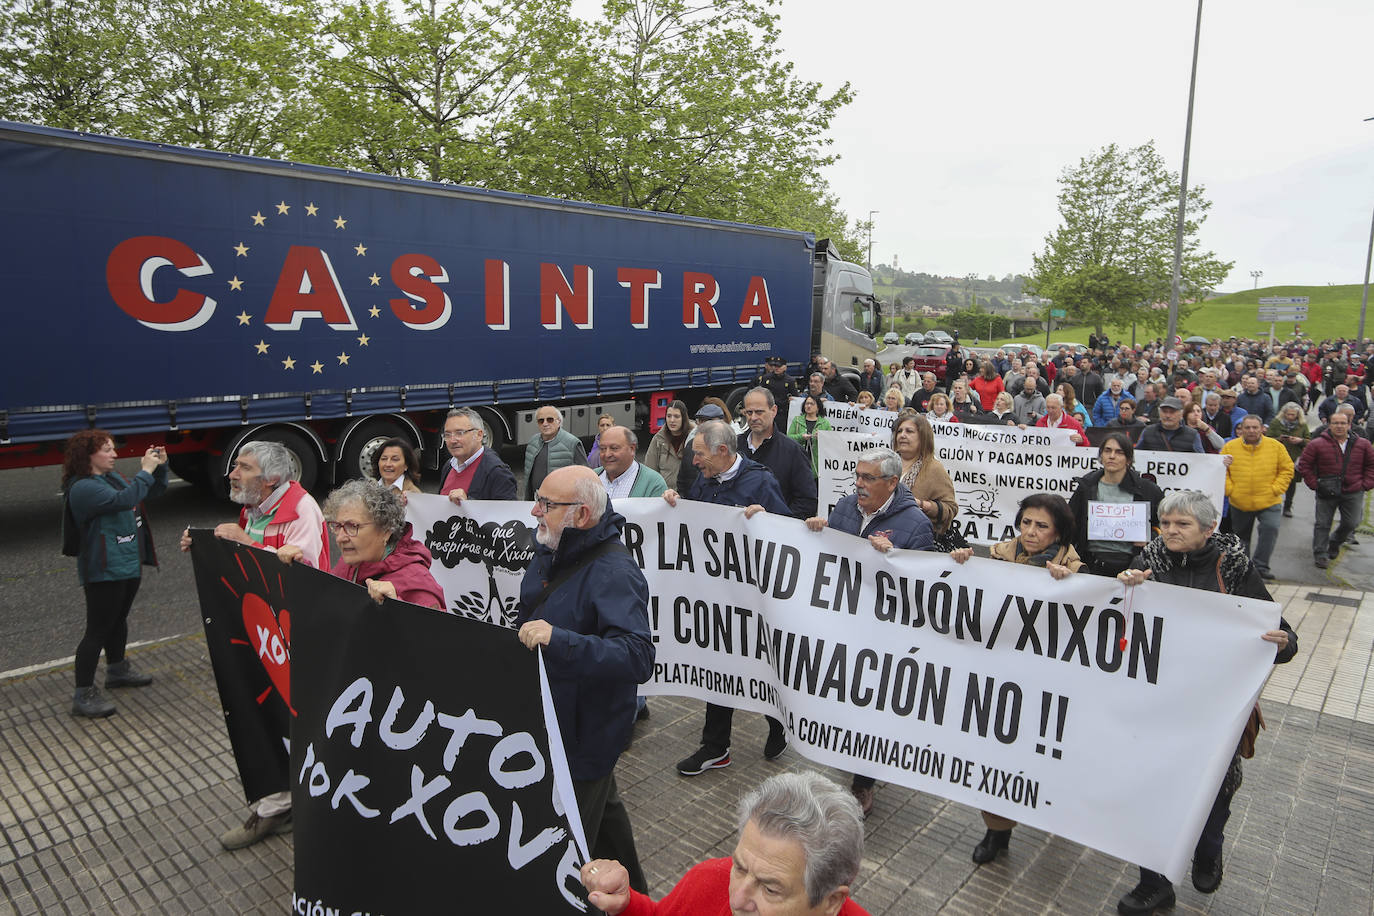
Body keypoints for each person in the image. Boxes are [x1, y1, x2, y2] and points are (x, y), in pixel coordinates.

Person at [1115, 490, 1296, 915]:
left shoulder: (1233, 568)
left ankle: (1209, 846)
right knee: (1152, 789)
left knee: (1214, 788)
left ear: (1209, 529)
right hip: (1158, 703)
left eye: (1183, 525)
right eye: (1166, 523)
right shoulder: (1148, 564)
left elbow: (1279, 631)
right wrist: (1125, 585)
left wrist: (1284, 642)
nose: (1171, 531)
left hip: (1217, 708)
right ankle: (1153, 883)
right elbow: (1112, 612)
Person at [178, 439, 329, 850]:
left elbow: (307, 573)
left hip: (298, 636)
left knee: (292, 716)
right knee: (270, 714)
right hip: (265, 633)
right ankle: (281, 800)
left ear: (271, 479)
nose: (232, 473)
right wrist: (209, 545)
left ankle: (287, 803)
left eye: (242, 467)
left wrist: (243, 544)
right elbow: (249, 561)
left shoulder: (302, 509)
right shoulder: (254, 507)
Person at [516, 466, 654, 893]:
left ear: (580, 515)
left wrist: (560, 641)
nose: (535, 511)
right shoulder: (550, 546)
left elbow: (638, 656)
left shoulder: (616, 572)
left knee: (571, 852)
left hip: (584, 734)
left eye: (548, 504)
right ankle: (641, 903)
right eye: (538, 499)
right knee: (604, 817)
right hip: (558, 721)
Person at [950, 493, 1082, 864]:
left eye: (1041, 526)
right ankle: (996, 832)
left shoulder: (1074, 567)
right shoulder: (998, 554)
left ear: (1058, 531)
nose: (1031, 532)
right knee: (998, 755)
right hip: (999, 675)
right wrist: (963, 563)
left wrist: (1068, 587)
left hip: (1044, 682)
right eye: (1026, 522)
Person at [805, 447, 933, 816]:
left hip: (882, 632)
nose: (858, 484)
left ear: (892, 483)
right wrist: (818, 530)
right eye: (857, 476)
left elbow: (921, 587)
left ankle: (863, 782)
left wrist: (895, 559)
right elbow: (829, 552)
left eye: (868, 478)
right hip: (843, 622)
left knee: (871, 702)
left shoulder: (915, 524)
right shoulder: (845, 507)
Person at [663, 420, 790, 776]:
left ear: (722, 451)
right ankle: (715, 746)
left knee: (757, 666)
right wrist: (676, 504)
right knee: (718, 665)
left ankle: (777, 719)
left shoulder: (761, 481)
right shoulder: (704, 478)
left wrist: (768, 519)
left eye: (700, 454)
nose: (695, 462)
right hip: (715, 596)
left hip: (751, 597)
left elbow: (787, 532)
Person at [580, 771, 870, 916]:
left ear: (831, 901)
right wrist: (626, 903)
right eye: (740, 868)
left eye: (770, 889)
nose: (736, 899)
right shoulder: (708, 879)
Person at [63, 431, 169, 718]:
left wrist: (159, 469)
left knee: (117, 620)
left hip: (126, 563)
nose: (114, 454)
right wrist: (145, 470)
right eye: (107, 450)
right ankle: (83, 694)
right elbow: (125, 499)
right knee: (97, 629)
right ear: (87, 456)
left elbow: (148, 492)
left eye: (113, 449)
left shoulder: (112, 478)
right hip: (103, 568)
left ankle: (117, 670)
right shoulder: (84, 488)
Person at [278, 479, 444, 609]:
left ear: (386, 530)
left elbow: (436, 642)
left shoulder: (418, 584)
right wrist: (299, 568)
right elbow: (325, 600)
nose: (340, 538)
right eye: (337, 526)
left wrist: (397, 605)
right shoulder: (351, 562)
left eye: (352, 526)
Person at [1068, 434, 1164, 577]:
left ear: (1129, 459)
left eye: (1119, 452)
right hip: (1091, 564)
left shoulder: (1148, 490)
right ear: (1101, 455)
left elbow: (1166, 526)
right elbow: (1069, 525)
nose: (1112, 456)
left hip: (1133, 566)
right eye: (1107, 451)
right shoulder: (1086, 487)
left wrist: (1150, 536)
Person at [1296, 411, 1374, 569]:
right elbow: (1304, 466)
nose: (1339, 426)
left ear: (1349, 425)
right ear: (1329, 425)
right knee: (1322, 524)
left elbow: (1371, 465)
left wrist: (1365, 484)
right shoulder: (1316, 444)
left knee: (1351, 523)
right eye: (1336, 423)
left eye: (1342, 423)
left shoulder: (1363, 444)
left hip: (1353, 490)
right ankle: (1320, 554)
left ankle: (1335, 541)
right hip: (1326, 490)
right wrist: (1315, 484)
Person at [1222, 415, 1293, 581]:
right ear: (1241, 429)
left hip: (1269, 500)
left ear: (1262, 428)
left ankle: (1261, 566)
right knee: (1241, 537)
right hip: (1240, 501)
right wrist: (1230, 490)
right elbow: (1221, 471)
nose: (1251, 431)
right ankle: (1244, 569)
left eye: (1255, 427)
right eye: (1247, 427)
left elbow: (1287, 469)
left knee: (1270, 529)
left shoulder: (1276, 446)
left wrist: (1277, 489)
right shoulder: (1230, 447)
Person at [739, 388, 818, 519]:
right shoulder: (734, 446)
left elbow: (807, 501)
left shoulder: (793, 451)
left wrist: (774, 519)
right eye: (749, 412)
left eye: (759, 412)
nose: (753, 417)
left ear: (773, 411)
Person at [891, 410, 960, 538]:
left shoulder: (934, 468)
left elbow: (950, 509)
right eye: (899, 431)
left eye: (909, 431)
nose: (902, 435)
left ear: (923, 437)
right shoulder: (886, 463)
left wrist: (922, 505)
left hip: (915, 540)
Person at [440, 407, 517, 502]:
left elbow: (508, 514)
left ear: (479, 435)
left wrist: (469, 503)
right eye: (447, 435)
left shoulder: (498, 473)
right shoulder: (449, 466)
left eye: (459, 433)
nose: (452, 440)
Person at [524, 405, 588, 499]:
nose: (545, 424)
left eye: (550, 420)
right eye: (541, 421)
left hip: (560, 503)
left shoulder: (572, 443)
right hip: (535, 501)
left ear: (559, 422)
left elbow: (585, 476)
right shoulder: (532, 442)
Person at [598, 426, 668, 498]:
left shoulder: (653, 483)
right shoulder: (590, 478)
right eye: (602, 449)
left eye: (614, 448)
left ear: (632, 449)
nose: (607, 454)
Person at [1267, 401, 1310, 517]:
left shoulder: (1302, 425)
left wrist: (1300, 441)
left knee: (1291, 484)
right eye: (1288, 414)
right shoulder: (1276, 423)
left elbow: (1309, 441)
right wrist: (1279, 439)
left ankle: (1288, 506)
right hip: (1275, 457)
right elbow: (1267, 438)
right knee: (1272, 481)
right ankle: (1271, 504)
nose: (1290, 417)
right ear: (1284, 413)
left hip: (1293, 458)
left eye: (1293, 415)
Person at [644, 400, 692, 487]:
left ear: (684, 418)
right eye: (669, 416)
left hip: (688, 495)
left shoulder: (694, 438)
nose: (672, 420)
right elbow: (649, 471)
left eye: (676, 416)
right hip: (665, 495)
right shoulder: (658, 439)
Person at [1136, 397, 1203, 453]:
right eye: (1164, 411)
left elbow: (1201, 460)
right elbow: (1137, 455)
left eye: (1172, 412)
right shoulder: (1148, 432)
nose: (1168, 416)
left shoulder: (1192, 435)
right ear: (1159, 413)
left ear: (1181, 414)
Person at [751, 355, 799, 432]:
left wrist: (791, 400)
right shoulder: (766, 378)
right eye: (775, 366)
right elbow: (761, 393)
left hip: (782, 413)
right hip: (769, 411)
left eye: (779, 366)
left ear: (785, 367)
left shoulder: (790, 380)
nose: (776, 368)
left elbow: (795, 396)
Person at [788, 393, 832, 477]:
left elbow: (831, 441)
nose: (808, 406)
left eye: (812, 404)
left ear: (818, 407)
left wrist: (822, 437)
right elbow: (789, 437)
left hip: (817, 465)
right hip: (798, 462)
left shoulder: (825, 423)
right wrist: (801, 437)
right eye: (807, 403)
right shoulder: (797, 420)